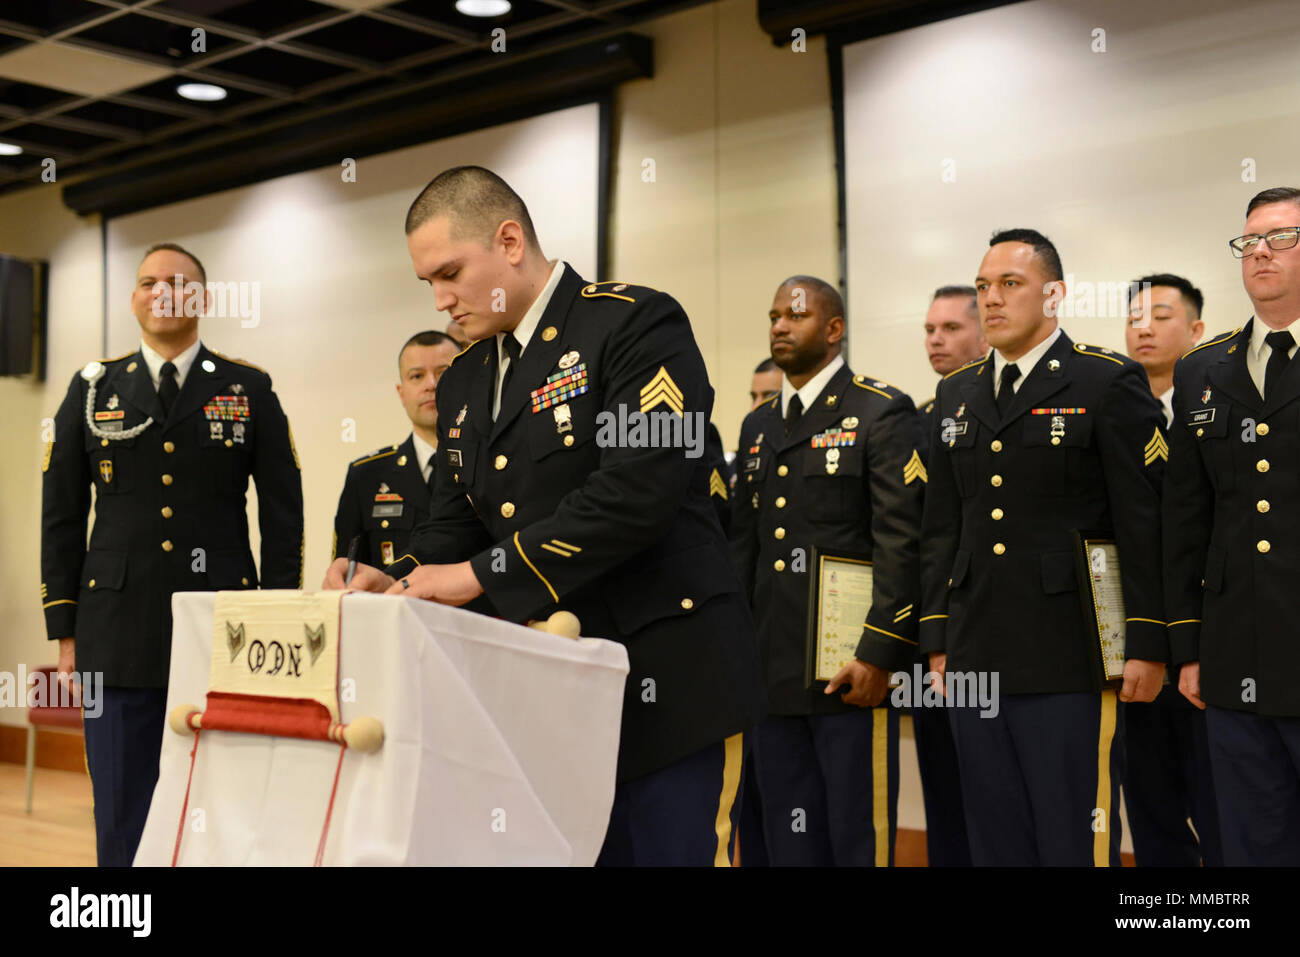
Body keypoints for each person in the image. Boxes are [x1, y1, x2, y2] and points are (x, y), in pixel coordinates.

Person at [323, 165, 765, 866]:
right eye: (426, 284)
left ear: (509, 240)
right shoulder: (467, 375)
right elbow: (457, 517)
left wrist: (477, 574)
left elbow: (636, 493)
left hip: (667, 684)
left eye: (449, 273)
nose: (441, 300)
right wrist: (397, 576)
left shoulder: (634, 323)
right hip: (547, 700)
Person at [41, 242, 303, 866]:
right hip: (115, 632)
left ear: (201, 300)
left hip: (225, 632)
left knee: (221, 802)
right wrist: (65, 629)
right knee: (122, 805)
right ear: (134, 299)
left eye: (177, 283)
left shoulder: (248, 387)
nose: (162, 293)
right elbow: (61, 517)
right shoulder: (90, 391)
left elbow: (283, 512)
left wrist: (277, 614)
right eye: (148, 282)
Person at [919, 228, 1166, 866]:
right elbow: (944, 525)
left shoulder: (1105, 381)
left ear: (1054, 295)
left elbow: (1143, 521)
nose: (991, 300)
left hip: (1072, 652)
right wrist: (938, 639)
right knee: (994, 837)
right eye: (982, 287)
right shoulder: (957, 393)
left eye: (1010, 285)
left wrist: (1146, 641)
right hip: (977, 651)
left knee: (1072, 837)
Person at [730, 275, 922, 866]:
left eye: (795, 316)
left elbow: (901, 540)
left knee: (856, 836)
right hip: (772, 666)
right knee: (789, 838)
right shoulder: (758, 426)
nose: (780, 327)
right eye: (773, 317)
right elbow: (745, 548)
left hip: (847, 669)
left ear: (834, 329)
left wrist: (880, 652)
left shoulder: (880, 410)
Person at [1164, 186, 1300, 865]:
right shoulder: (1201, 370)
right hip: (1233, 653)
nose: (1262, 252)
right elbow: (1185, 516)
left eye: (1281, 237)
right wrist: (1188, 646)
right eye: (1250, 241)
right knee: (1250, 841)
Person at [1121, 273, 1222, 867]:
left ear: (1196, 329)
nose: (1144, 327)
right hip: (1136, 641)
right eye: (1134, 316)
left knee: (1220, 804)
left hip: (1208, 641)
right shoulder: (1109, 403)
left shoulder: (1219, 403)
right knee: (1150, 804)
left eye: (1161, 315)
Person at [913, 284, 986, 867]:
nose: (937, 339)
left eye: (951, 329)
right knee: (943, 782)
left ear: (985, 329)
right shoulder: (921, 418)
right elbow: (924, 535)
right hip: (938, 631)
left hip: (1008, 627)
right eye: (930, 330)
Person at [332, 330, 460, 569]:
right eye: (417, 376)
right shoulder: (366, 476)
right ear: (401, 393)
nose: (431, 385)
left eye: (443, 373)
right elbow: (348, 571)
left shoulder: (489, 464)